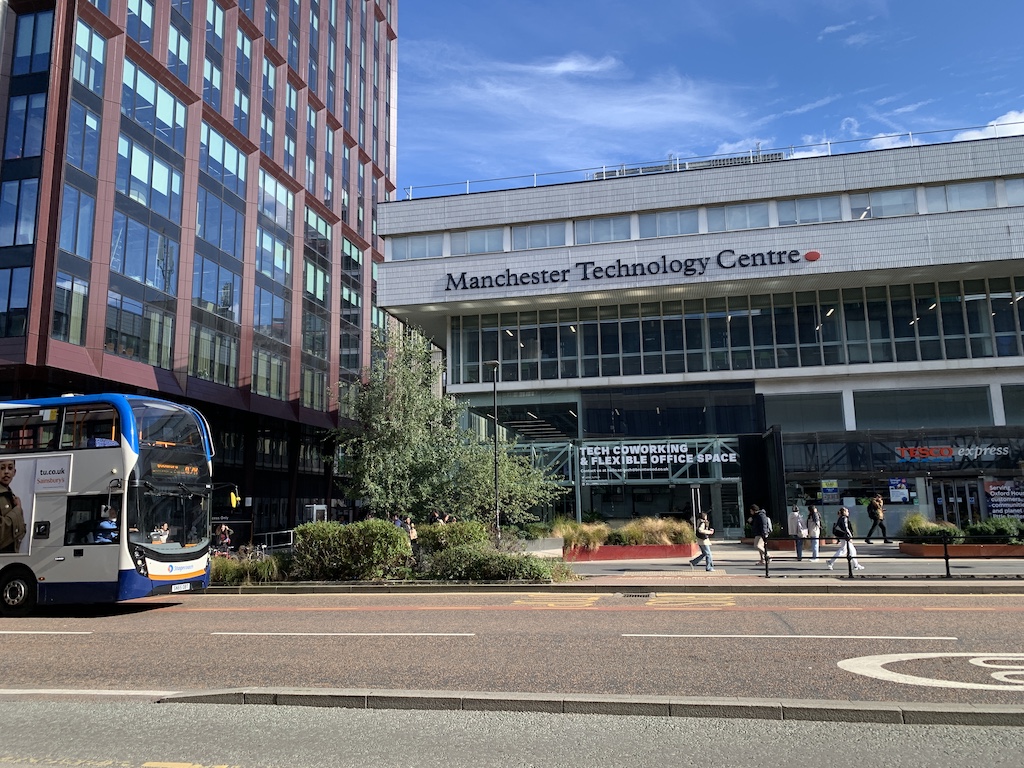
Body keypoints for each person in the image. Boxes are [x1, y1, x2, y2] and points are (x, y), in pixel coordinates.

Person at [0, 458, 26, 554]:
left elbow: (21, 530)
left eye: (10, 468)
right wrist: (17, 510)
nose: (6, 472)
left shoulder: (11, 495)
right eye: (2, 468)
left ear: (14, 472)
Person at [827, 507, 864, 571]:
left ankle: (856, 565)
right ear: (844, 512)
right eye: (847, 511)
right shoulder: (844, 518)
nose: (848, 512)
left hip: (842, 536)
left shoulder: (841, 518)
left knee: (848, 550)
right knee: (848, 550)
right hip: (845, 536)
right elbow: (846, 528)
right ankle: (855, 565)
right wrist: (849, 536)